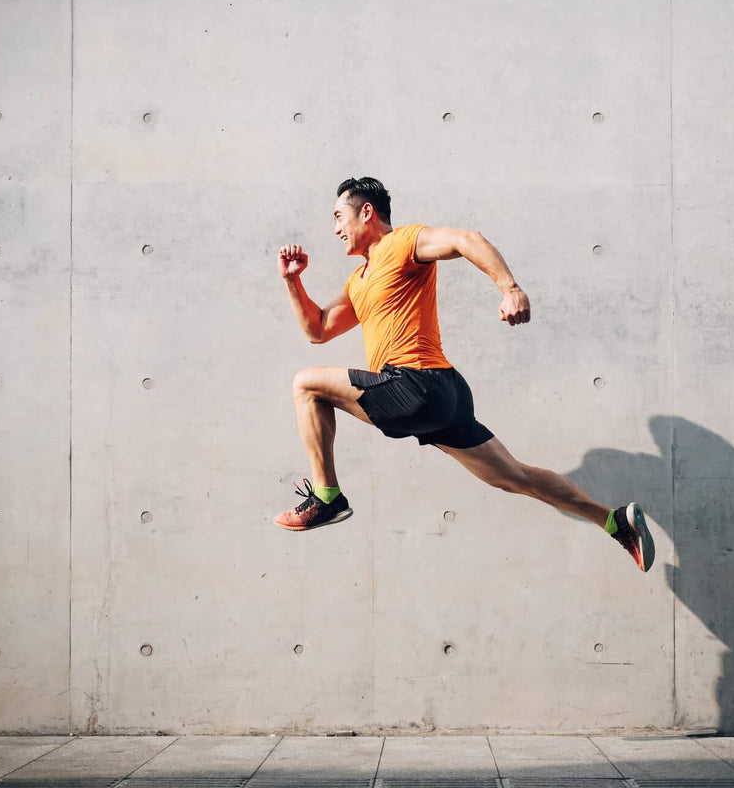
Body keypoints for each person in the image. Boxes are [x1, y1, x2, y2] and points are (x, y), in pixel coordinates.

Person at [273, 176, 655, 572]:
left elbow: (466, 239)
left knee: (306, 385)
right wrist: (292, 280)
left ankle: (327, 497)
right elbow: (317, 329)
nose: (335, 229)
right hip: (445, 395)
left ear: (366, 212)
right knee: (514, 477)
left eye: (339, 217)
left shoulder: (402, 243)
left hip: (415, 386)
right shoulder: (359, 281)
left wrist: (510, 288)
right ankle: (615, 521)